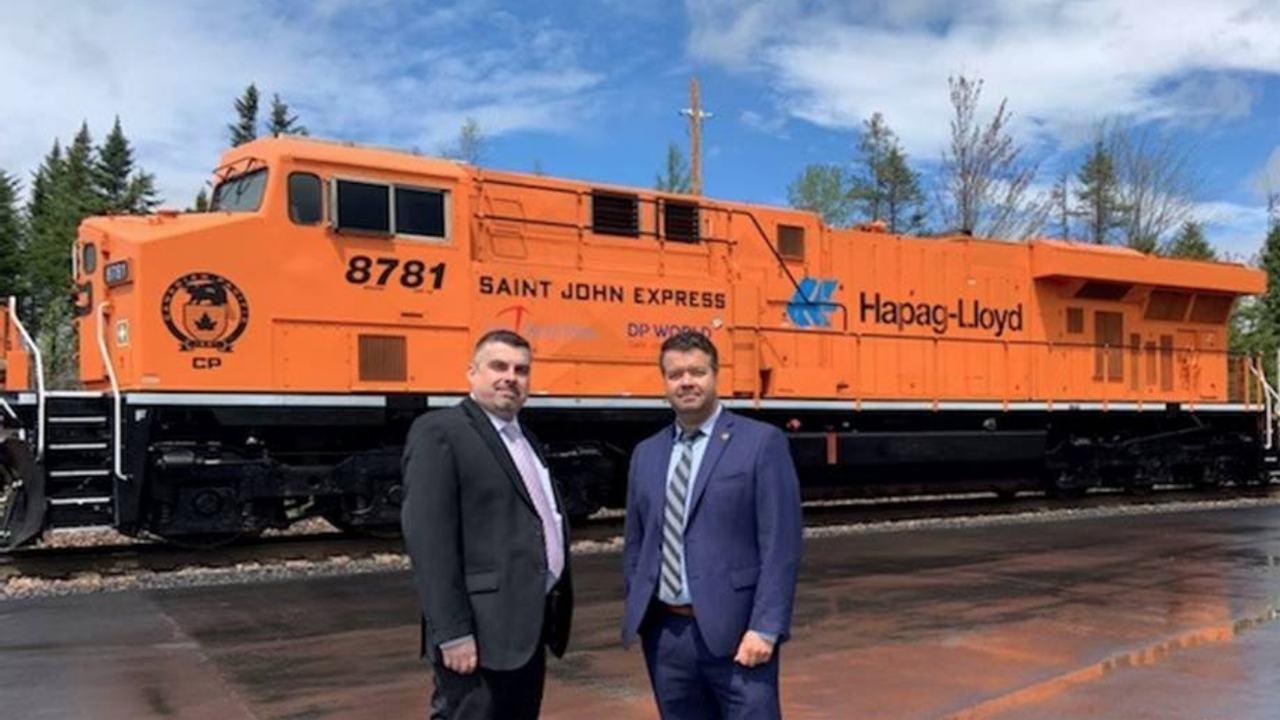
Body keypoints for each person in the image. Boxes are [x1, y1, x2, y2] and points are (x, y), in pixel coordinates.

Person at [621, 330, 803, 720]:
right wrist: (642, 615)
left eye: (696, 372)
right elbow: (637, 542)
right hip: (666, 635)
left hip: (739, 633)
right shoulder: (646, 453)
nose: (686, 382)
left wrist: (766, 627)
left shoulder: (761, 443)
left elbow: (780, 545)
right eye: (675, 374)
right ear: (665, 382)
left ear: (715, 375)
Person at [401, 329, 573, 720]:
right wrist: (453, 632)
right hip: (478, 634)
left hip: (526, 628)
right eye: (498, 366)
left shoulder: (524, 437)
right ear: (471, 373)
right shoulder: (440, 432)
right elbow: (430, 544)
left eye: (521, 369)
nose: (510, 377)